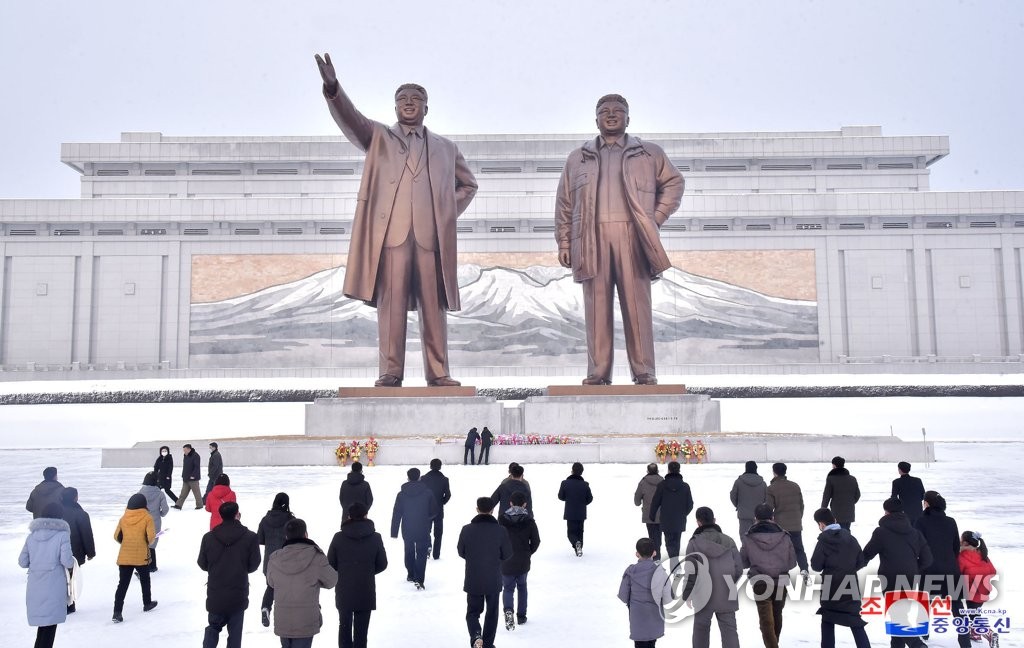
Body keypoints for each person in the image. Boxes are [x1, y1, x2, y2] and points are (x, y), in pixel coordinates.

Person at [314, 53, 478, 388]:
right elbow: (351, 119)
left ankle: (438, 372)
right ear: (394, 107)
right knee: (391, 308)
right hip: (392, 240)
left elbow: (468, 185)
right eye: (402, 99)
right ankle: (391, 372)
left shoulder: (446, 148)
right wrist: (333, 88)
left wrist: (444, 214)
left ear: (426, 108)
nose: (408, 103)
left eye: (415, 99)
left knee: (434, 308)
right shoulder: (379, 138)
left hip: (430, 241)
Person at [555, 94, 684, 386]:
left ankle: (643, 371)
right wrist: (564, 243)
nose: (611, 115)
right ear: (596, 119)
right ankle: (598, 371)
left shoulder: (649, 153)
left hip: (633, 237)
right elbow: (564, 203)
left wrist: (655, 218)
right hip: (591, 238)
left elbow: (674, 183)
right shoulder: (578, 157)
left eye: (618, 111)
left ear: (628, 118)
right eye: (604, 111)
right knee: (596, 307)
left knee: (637, 305)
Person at [863, 498, 933, 648]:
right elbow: (928, 559)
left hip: (890, 579)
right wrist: (914, 569)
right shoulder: (915, 533)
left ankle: (917, 644)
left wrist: (848, 566)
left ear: (886, 512)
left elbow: (867, 554)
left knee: (897, 616)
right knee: (900, 614)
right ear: (902, 512)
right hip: (910, 578)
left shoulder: (881, 532)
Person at [197, 502, 261, 648]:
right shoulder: (250, 537)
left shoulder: (208, 537)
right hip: (238, 591)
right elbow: (254, 565)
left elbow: (202, 563)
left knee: (213, 627)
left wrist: (216, 569)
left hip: (216, 592)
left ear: (220, 515)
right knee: (235, 633)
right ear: (237, 514)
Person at [266, 518, 337, 648]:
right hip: (306, 620)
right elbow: (332, 581)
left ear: (286, 536)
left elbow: (271, 582)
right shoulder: (316, 556)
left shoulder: (275, 558)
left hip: (283, 620)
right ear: (306, 534)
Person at [680, 507, 742, 648]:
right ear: (714, 520)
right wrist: (729, 583)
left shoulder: (694, 543)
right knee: (729, 630)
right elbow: (738, 568)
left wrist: (687, 594)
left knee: (701, 629)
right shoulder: (729, 541)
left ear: (698, 523)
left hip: (703, 594)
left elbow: (691, 572)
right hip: (727, 592)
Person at [328, 502, 388, 648]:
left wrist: (345, 571)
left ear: (349, 517)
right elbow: (382, 564)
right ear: (366, 516)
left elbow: (330, 563)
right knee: (362, 632)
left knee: (344, 628)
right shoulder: (376, 537)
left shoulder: (338, 537)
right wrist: (366, 571)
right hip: (365, 589)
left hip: (344, 589)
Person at [810, 508, 870, 648]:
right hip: (850, 585)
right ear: (835, 520)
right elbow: (861, 561)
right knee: (855, 621)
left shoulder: (823, 541)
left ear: (821, 524)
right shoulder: (850, 538)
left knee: (828, 619)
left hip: (830, 587)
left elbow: (816, 566)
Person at [457, 497, 513, 648]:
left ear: (477, 509)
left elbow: (461, 551)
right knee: (492, 612)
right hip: (493, 578)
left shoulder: (466, 529)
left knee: (473, 612)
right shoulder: (500, 530)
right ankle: (487, 644)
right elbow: (507, 554)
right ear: (492, 510)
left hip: (473, 577)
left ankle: (476, 636)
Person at [19, 501, 74, 648]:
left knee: (43, 628)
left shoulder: (31, 537)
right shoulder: (62, 535)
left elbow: (22, 561)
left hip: (35, 586)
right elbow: (67, 561)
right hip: (53, 585)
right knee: (50, 628)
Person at [741, 504, 797, 648]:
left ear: (755, 518)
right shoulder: (785, 536)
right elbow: (792, 563)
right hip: (781, 581)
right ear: (772, 517)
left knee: (766, 620)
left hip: (760, 582)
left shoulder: (748, 537)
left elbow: (744, 562)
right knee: (777, 615)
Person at [913, 491, 963, 645]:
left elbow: (917, 546)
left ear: (927, 503)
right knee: (957, 605)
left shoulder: (920, 522)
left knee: (925, 602)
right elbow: (956, 547)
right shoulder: (951, 521)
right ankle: (965, 639)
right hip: (950, 568)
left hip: (928, 568)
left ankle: (924, 632)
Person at [618, 537, 673, 648]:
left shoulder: (630, 572)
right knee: (651, 643)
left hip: (637, 617)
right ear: (654, 553)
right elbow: (668, 598)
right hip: (654, 615)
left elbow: (623, 596)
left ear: (637, 554)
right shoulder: (661, 573)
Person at [112, 493, 158, 623]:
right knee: (145, 580)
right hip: (141, 555)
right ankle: (147, 603)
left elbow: (116, 536)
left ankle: (117, 612)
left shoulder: (124, 518)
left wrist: (126, 542)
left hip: (125, 555)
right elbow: (151, 538)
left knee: (122, 584)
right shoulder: (147, 517)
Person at [390, 467, 438, 589]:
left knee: (409, 551)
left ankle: (411, 574)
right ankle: (419, 578)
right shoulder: (427, 492)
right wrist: (426, 519)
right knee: (421, 553)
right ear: (419, 477)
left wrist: (394, 531)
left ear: (408, 477)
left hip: (407, 527)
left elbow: (397, 513)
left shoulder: (401, 494)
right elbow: (434, 511)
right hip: (422, 527)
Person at [499, 491, 540, 629]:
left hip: (506, 560)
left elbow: (497, 541)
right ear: (525, 504)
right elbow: (536, 541)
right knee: (522, 587)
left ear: (510, 503)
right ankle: (521, 616)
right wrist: (528, 552)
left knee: (508, 588)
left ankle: (508, 611)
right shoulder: (529, 520)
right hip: (523, 559)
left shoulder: (502, 520)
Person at [765, 462, 809, 581]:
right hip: (795, 524)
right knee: (799, 549)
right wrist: (798, 518)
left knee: (780, 550)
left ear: (774, 472)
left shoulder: (771, 489)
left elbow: (769, 508)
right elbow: (801, 505)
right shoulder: (795, 486)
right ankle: (804, 569)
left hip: (780, 526)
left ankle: (782, 574)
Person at [257, 493, 295, 627]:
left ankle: (266, 607)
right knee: (290, 588)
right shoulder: (291, 520)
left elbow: (260, 539)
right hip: (287, 561)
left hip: (269, 562)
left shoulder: (265, 519)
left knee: (271, 586)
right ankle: (287, 615)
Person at [648, 461, 693, 565]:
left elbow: (655, 502)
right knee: (677, 541)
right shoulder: (685, 486)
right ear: (679, 470)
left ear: (668, 470)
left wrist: (652, 515)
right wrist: (683, 513)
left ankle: (674, 563)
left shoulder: (662, 485)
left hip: (666, 518)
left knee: (669, 541)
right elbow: (690, 504)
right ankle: (675, 563)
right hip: (679, 519)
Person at [958, 530, 998, 647]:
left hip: (972, 592)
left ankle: (990, 634)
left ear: (965, 543)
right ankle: (975, 634)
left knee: (974, 616)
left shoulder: (962, 557)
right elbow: (993, 571)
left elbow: (958, 574)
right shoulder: (983, 554)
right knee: (975, 613)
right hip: (984, 591)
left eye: (961, 540)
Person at [60, 487, 96, 612]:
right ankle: (69, 605)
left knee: (60, 577)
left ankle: (61, 603)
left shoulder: (56, 511)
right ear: (75, 497)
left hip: (56, 550)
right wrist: (90, 553)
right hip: (74, 551)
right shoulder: (81, 514)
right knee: (70, 578)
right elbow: (86, 534)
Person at [557, 461, 594, 557]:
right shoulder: (585, 485)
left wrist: (569, 499)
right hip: (581, 512)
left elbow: (560, 496)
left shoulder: (565, 483)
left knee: (571, 532)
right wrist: (582, 503)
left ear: (572, 471)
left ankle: (576, 543)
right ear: (581, 472)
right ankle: (579, 547)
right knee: (580, 531)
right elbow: (590, 499)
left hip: (570, 512)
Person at [420, 458, 452, 559]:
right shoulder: (444, 479)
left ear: (430, 466)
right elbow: (448, 494)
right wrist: (442, 502)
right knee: (438, 533)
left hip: (426, 509)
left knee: (425, 531)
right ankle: (436, 554)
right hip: (438, 509)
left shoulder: (424, 478)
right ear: (440, 466)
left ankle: (427, 547)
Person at [137, 473, 168, 572]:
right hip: (155, 522)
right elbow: (165, 509)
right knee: (152, 543)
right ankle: (152, 566)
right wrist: (160, 514)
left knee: (144, 542)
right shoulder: (160, 493)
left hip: (142, 521)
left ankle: (144, 565)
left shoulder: (141, 492)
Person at [821, 456, 861, 530]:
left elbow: (826, 496)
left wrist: (823, 510)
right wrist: (849, 502)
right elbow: (857, 495)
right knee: (846, 531)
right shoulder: (852, 479)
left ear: (834, 465)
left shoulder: (831, 479)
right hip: (849, 511)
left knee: (837, 532)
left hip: (836, 512)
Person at [634, 463, 664, 560]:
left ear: (647, 471)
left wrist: (640, 502)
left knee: (652, 536)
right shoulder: (662, 481)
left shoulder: (643, 482)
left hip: (648, 514)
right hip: (661, 514)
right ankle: (657, 554)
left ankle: (654, 556)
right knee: (658, 536)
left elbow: (637, 500)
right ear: (657, 471)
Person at [730, 460, 767, 538]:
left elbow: (733, 496)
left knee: (745, 537)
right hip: (759, 515)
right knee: (759, 537)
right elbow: (766, 498)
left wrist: (738, 505)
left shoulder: (738, 482)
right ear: (756, 468)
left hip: (743, 514)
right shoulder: (763, 483)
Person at [173, 443, 202, 510]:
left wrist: (193, 475)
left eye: (185, 450)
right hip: (186, 478)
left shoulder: (196, 456)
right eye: (183, 450)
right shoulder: (186, 455)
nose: (184, 451)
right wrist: (183, 475)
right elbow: (185, 467)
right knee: (183, 493)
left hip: (193, 479)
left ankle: (199, 505)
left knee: (196, 493)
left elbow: (196, 467)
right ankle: (178, 505)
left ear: (189, 449)